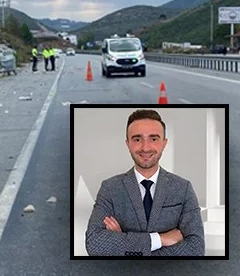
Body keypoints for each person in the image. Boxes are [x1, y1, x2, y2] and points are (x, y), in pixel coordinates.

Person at [85, 109, 205, 256]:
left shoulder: (183, 188)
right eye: (137, 139)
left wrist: (123, 243)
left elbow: (196, 248)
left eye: (153, 139)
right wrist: (159, 239)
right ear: (128, 143)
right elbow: (94, 243)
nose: (145, 147)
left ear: (164, 143)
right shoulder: (110, 188)